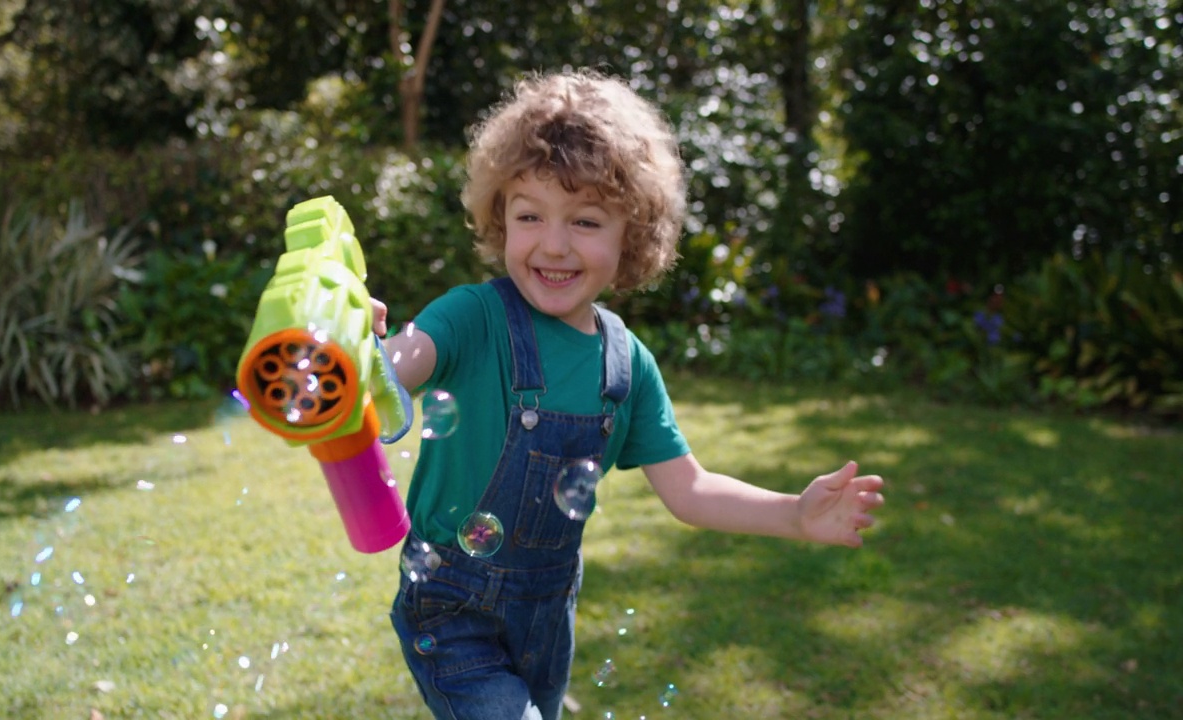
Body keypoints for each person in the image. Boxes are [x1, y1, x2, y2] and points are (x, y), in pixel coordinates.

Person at [371, 69, 885, 720]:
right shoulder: (473, 319)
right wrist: (360, 357)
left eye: (585, 221)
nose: (553, 244)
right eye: (529, 215)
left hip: (546, 621)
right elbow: (398, 368)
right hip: (449, 608)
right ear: (500, 218)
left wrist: (795, 514)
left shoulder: (626, 365)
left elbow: (690, 490)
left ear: (632, 234)